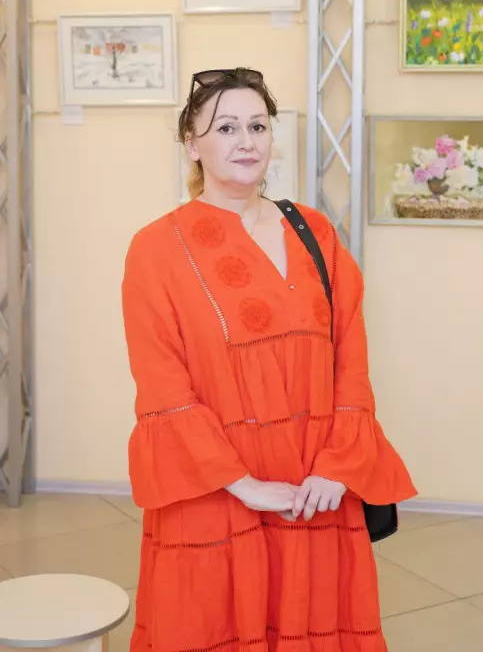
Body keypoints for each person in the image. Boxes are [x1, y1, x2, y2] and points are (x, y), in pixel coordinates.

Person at [122, 67, 416, 652]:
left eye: (257, 126)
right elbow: (162, 386)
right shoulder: (155, 248)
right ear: (192, 144)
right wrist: (243, 485)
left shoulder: (315, 232)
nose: (246, 141)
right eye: (226, 127)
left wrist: (337, 465)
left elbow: (350, 357)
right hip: (216, 491)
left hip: (314, 487)